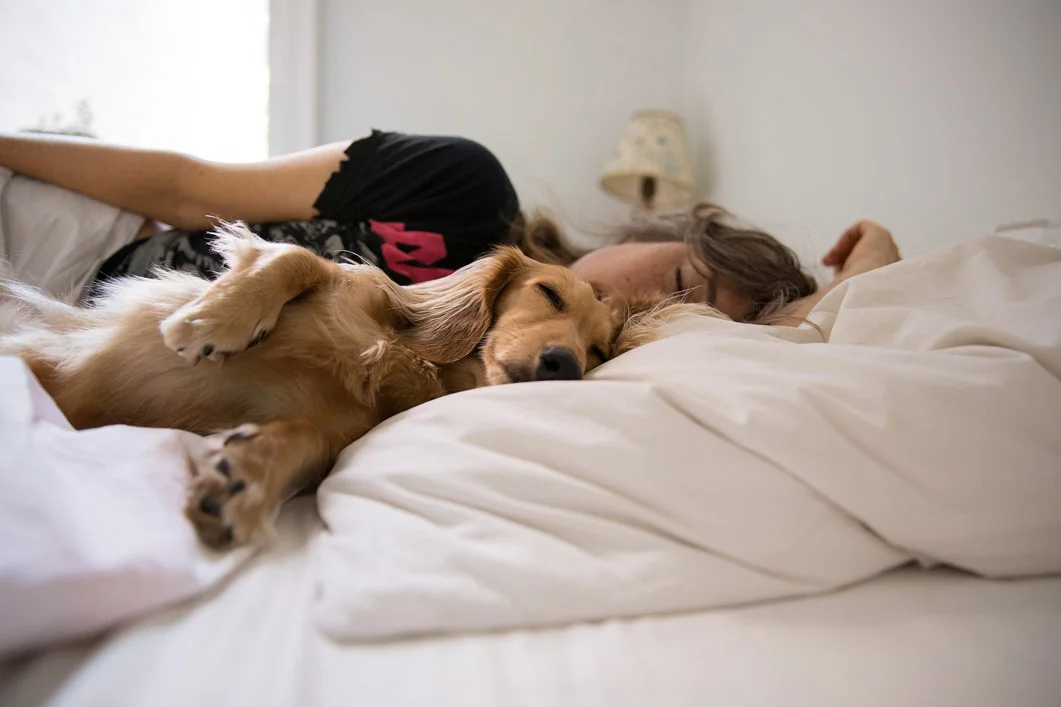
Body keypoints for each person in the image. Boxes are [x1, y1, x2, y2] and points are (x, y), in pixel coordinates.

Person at [0, 130, 900, 322]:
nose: (640, 302)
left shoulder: (536, 357)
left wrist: (871, 273)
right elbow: (194, 187)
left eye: (685, 315)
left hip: (79, 332)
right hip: (87, 240)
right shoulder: (459, 186)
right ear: (651, 228)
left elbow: (799, 350)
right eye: (672, 279)